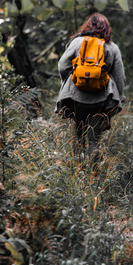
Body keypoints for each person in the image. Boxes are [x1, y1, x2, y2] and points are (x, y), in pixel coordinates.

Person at [55, 13, 125, 165]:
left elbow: (62, 66)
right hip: (101, 99)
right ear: (107, 28)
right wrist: (120, 96)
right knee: (94, 139)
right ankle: (93, 175)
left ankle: (76, 172)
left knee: (78, 135)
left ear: (87, 26)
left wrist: (69, 82)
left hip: (76, 97)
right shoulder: (112, 47)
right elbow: (119, 76)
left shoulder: (77, 42)